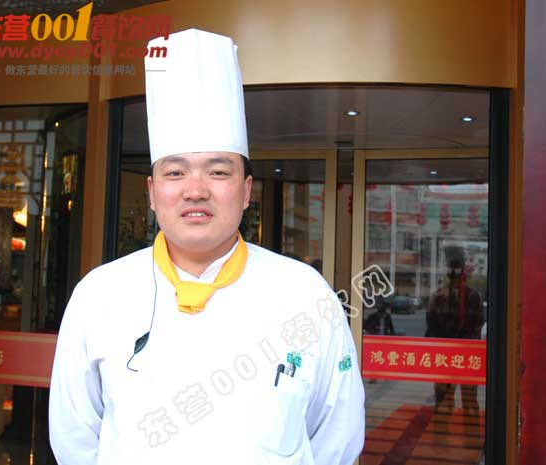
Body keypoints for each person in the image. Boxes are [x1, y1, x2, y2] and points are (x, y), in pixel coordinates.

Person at [49, 29, 365, 465]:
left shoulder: (305, 294)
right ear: (152, 192)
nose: (195, 190)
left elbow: (337, 435)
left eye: (218, 172)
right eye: (175, 173)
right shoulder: (99, 295)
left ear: (247, 190)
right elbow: (75, 437)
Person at [426, 245, 483, 414]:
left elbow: (478, 324)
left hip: (462, 355)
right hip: (450, 356)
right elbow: (431, 324)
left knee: (467, 402)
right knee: (446, 403)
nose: (455, 273)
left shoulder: (471, 296)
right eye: (453, 268)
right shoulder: (439, 296)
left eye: (456, 268)